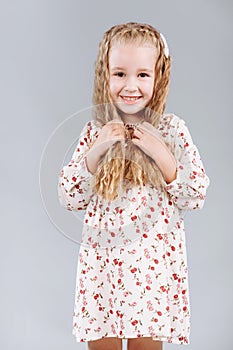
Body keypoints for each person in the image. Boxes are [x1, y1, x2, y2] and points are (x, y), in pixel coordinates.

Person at [58, 22, 210, 350]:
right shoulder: (94, 130)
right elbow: (70, 197)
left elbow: (195, 194)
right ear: (105, 75)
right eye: (120, 74)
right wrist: (95, 152)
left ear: (158, 77)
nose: (131, 85)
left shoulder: (171, 130)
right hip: (104, 271)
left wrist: (163, 157)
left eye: (142, 75)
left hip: (151, 271)